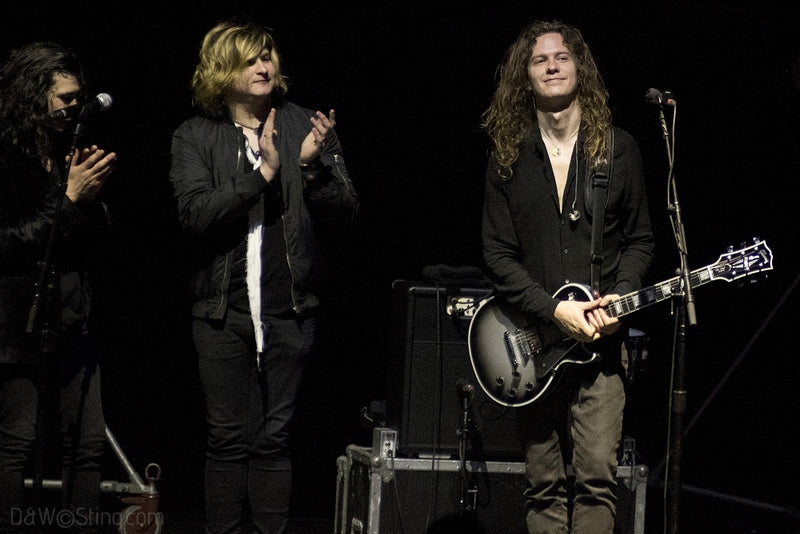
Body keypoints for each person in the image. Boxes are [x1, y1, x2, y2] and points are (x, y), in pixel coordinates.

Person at [169, 17, 359, 534]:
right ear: (221, 70)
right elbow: (195, 216)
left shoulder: (306, 123)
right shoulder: (196, 135)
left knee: (274, 440)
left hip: (289, 309)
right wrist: (265, 174)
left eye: (268, 55)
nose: (263, 65)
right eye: (250, 58)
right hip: (221, 311)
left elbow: (348, 216)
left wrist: (313, 170)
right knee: (227, 440)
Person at [480, 20, 655, 534]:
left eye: (562, 56)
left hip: (600, 348)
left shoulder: (617, 149)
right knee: (542, 485)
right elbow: (496, 252)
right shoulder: (508, 154)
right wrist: (552, 308)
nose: (552, 65)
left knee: (599, 478)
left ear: (580, 67)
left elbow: (641, 240)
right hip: (531, 341)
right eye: (540, 59)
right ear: (525, 76)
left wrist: (618, 299)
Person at [0, 42, 117, 532]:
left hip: (73, 317)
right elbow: (8, 242)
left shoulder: (66, 153)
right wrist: (68, 200)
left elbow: (95, 243)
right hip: (16, 321)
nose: (73, 107)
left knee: (86, 446)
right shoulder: (6, 160)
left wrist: (89, 202)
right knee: (16, 443)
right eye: (64, 98)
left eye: (77, 98)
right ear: (32, 95)